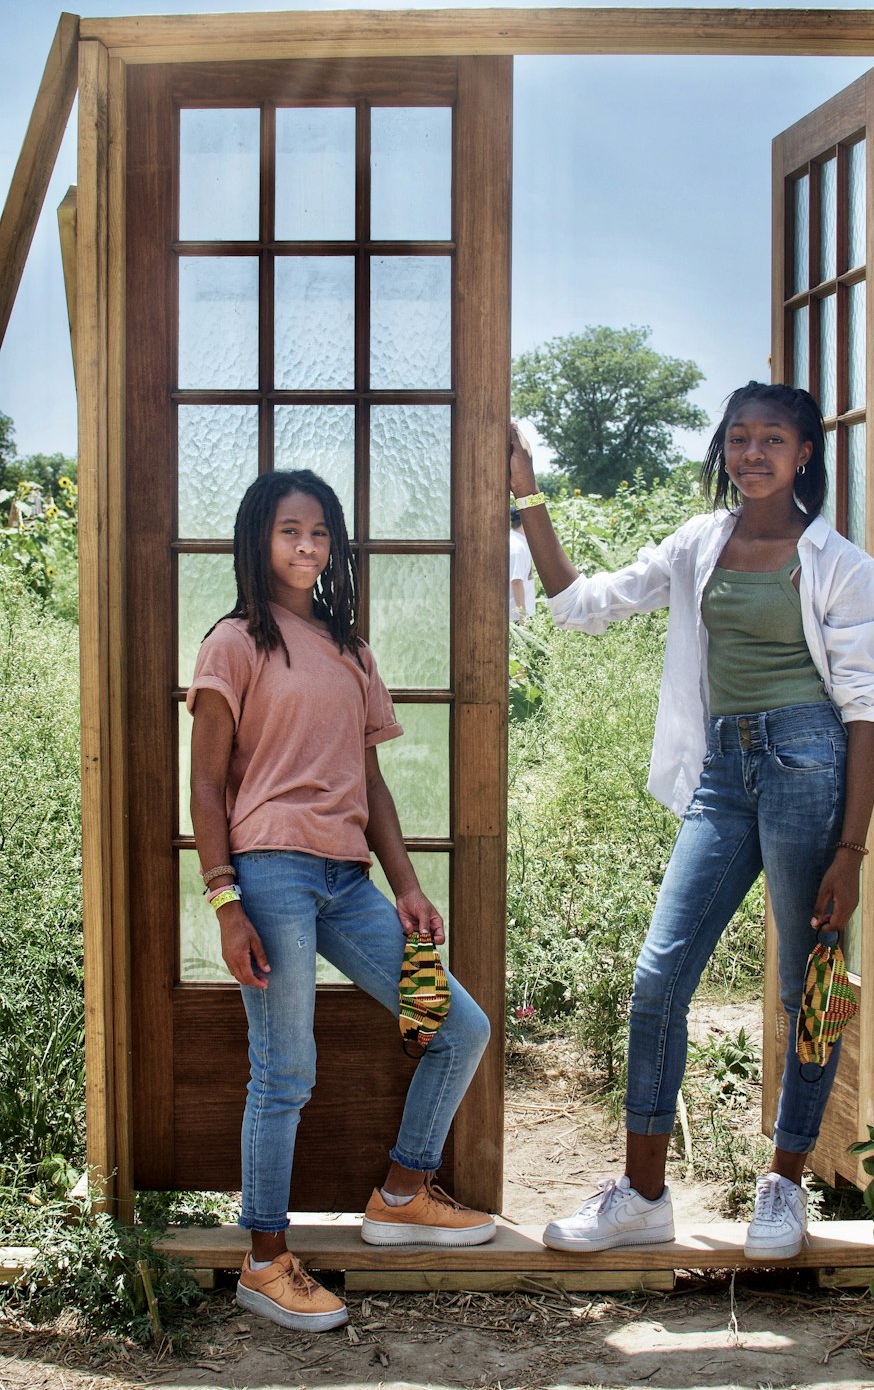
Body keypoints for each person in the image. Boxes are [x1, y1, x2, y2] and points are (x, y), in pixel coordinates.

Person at [509, 381, 874, 1260]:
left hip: (810, 766)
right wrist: (527, 491)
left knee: (809, 986)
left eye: (773, 440)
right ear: (724, 449)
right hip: (724, 770)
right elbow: (579, 603)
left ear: (803, 455)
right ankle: (642, 1193)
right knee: (659, 976)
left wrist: (851, 850)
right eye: (739, 439)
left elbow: (866, 710)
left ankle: (785, 1185)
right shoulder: (699, 544)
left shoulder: (838, 563)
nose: (753, 454)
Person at [188, 469, 493, 1333]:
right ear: (258, 539)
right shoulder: (233, 642)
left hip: (348, 879)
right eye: (290, 530)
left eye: (320, 533)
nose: (308, 546)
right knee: (284, 1071)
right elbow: (206, 786)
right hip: (271, 873)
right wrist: (225, 901)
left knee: (458, 1024)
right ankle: (264, 1260)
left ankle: (401, 1190)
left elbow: (371, 782)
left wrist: (407, 885)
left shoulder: (348, 648)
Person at [509, 505, 537, 623]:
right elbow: (516, 581)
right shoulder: (517, 547)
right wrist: (522, 616)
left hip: (518, 616)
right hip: (516, 618)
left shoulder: (518, 542)